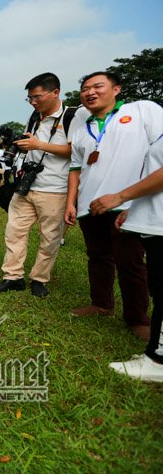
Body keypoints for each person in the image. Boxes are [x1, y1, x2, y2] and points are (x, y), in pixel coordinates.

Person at [65, 70, 159, 341]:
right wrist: (71, 203)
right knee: (97, 258)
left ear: (116, 89)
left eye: (97, 86)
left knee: (130, 262)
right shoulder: (83, 131)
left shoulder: (141, 111)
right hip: (89, 206)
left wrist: (132, 199)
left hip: (126, 203)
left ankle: (137, 318)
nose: (90, 92)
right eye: (85, 89)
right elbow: (75, 169)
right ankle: (102, 304)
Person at [0, 73, 81, 297]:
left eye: (37, 97)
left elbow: (75, 151)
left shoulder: (73, 116)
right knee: (14, 231)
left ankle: (39, 279)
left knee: (50, 237)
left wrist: (38, 144)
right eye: (30, 98)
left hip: (55, 188)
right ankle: (12, 277)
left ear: (55, 93)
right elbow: (32, 147)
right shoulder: (34, 117)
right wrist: (24, 146)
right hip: (26, 185)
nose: (33, 102)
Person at [90, 131, 163, 381]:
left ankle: (158, 361)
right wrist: (135, 208)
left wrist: (121, 197)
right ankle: (155, 352)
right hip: (153, 218)